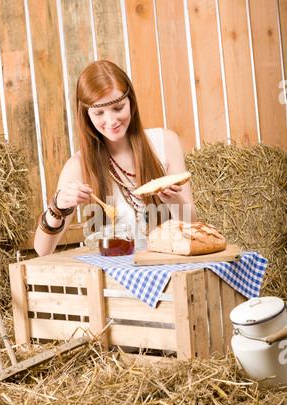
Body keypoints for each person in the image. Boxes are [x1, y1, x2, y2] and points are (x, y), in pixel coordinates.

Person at [34, 60, 197, 257]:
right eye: (99, 113)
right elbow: (42, 249)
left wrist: (172, 198)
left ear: (131, 102)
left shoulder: (166, 142)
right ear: (86, 115)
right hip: (113, 281)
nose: (111, 121)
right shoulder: (78, 166)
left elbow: (191, 225)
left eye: (118, 108)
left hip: (167, 272)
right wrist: (58, 207)